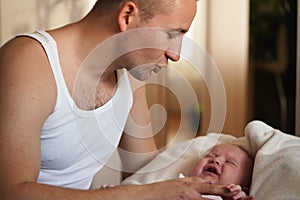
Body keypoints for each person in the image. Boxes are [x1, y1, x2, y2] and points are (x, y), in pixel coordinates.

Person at [0, 0, 239, 199]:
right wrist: (146, 193)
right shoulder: (29, 62)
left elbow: (145, 170)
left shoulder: (129, 75)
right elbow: (10, 191)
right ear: (127, 16)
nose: (175, 54)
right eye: (171, 34)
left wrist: (218, 182)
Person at [187, 144, 255, 200]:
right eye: (209, 156)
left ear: (243, 188)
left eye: (230, 162)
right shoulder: (179, 182)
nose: (215, 160)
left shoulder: (233, 198)